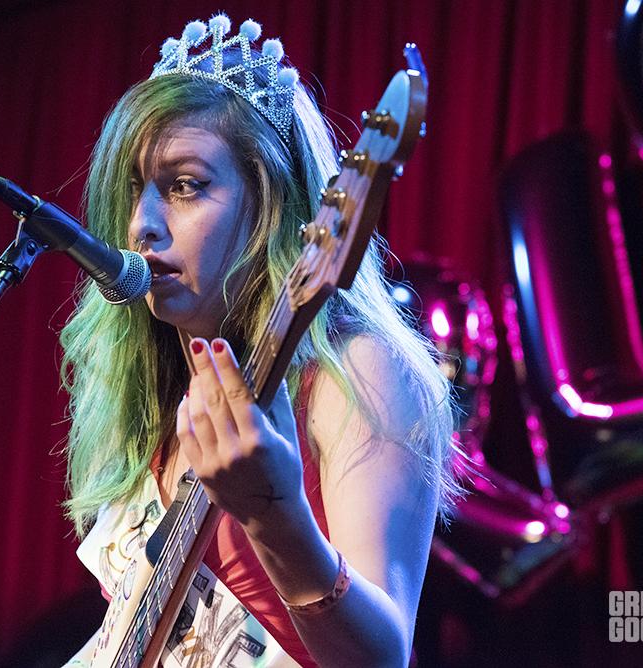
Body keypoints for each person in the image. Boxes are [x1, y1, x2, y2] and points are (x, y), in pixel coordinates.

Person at [60, 14, 462, 668]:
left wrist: (277, 520)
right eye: (135, 191)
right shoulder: (159, 408)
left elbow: (384, 655)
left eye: (185, 185)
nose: (142, 224)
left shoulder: (356, 373)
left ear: (274, 205)